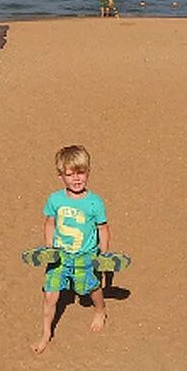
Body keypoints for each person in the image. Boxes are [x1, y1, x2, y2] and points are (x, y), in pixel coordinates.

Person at [32, 145, 110, 353]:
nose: (76, 179)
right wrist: (50, 247)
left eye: (81, 173)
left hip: (85, 256)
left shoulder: (95, 203)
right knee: (50, 295)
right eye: (70, 174)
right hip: (60, 256)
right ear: (61, 177)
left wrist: (104, 254)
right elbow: (50, 222)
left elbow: (102, 228)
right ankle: (46, 333)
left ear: (88, 172)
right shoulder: (55, 200)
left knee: (91, 288)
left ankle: (100, 310)